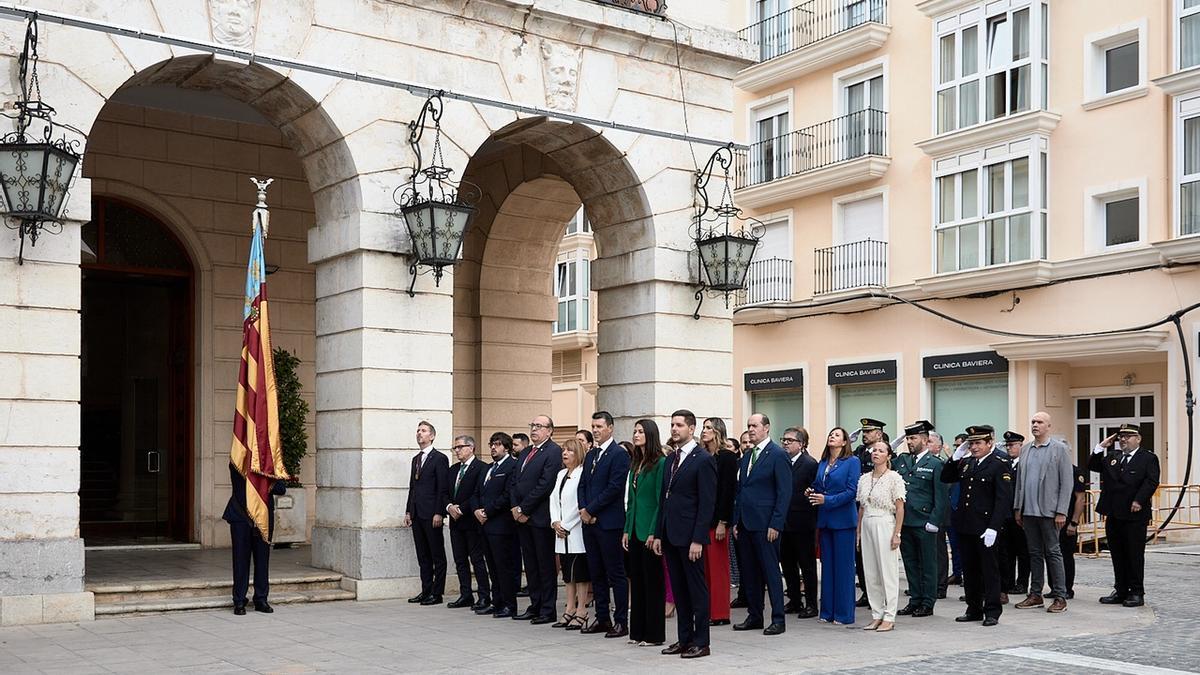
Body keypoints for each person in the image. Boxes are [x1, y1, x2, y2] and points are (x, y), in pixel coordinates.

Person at [653, 410, 716, 659]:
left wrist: (698, 539)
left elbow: (707, 503)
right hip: (670, 534)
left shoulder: (703, 459)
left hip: (691, 538)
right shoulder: (671, 459)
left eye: (679, 425)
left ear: (691, 429)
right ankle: (684, 639)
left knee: (696, 591)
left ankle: (701, 642)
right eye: (672, 425)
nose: (674, 429)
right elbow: (664, 499)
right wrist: (658, 533)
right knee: (679, 590)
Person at [941, 425, 1013, 627]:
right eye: (971, 443)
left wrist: (994, 527)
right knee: (970, 569)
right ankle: (974, 608)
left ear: (989, 443)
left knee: (989, 570)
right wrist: (955, 456)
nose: (973, 447)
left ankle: (992, 610)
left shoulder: (999, 464)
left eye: (978, 443)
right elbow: (946, 477)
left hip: (986, 527)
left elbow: (1003, 499)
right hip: (966, 525)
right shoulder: (966, 463)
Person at [731, 413, 792, 636]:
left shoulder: (777, 454)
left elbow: (784, 492)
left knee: (770, 572)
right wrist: (736, 520)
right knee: (749, 572)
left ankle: (778, 619)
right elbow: (741, 490)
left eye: (755, 426)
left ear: (766, 428)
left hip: (766, 524)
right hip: (746, 523)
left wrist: (776, 523)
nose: (751, 429)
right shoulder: (747, 456)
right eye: (748, 426)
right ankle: (754, 615)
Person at [1090, 424, 1160, 607]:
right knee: (1117, 554)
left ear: (1138, 439)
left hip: (1134, 514)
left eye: (1128, 436)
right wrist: (1100, 447)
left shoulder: (1148, 458)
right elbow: (1093, 465)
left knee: (1134, 554)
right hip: (1114, 513)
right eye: (1121, 436)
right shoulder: (1114, 457)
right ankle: (1120, 590)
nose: (1123, 440)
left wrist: (1139, 500)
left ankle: (1136, 592)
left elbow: (1151, 481)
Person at [1012, 412, 1073, 613]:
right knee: (1034, 553)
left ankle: (1060, 596)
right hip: (1028, 511)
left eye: (1039, 422)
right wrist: (1018, 508)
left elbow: (1067, 483)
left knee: (1053, 552)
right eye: (1033, 422)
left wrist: (1062, 511)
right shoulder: (1026, 449)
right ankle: (1035, 593)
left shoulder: (1059, 449)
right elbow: (1020, 482)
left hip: (1050, 511)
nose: (1035, 425)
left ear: (1048, 426)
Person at [579, 411, 631, 638]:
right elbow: (582, 485)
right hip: (589, 523)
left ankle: (621, 621)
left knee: (615, 573)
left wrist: (591, 509)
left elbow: (614, 488)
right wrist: (583, 509)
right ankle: (602, 618)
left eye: (599, 426)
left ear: (610, 427)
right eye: (593, 426)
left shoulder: (618, 454)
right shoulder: (591, 455)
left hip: (609, 523)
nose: (595, 430)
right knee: (596, 572)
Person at [511, 415, 563, 624]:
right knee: (530, 564)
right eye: (532, 425)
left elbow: (546, 484)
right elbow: (515, 482)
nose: (534, 429)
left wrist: (524, 508)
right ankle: (535, 605)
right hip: (521, 517)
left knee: (545, 565)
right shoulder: (525, 452)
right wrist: (515, 507)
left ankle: (548, 609)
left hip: (539, 517)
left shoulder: (553, 452)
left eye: (539, 426)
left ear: (550, 430)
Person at [895, 420, 947, 618]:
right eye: (908, 438)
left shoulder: (935, 464)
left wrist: (934, 521)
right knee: (910, 563)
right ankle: (914, 599)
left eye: (913, 438)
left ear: (925, 440)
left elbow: (941, 497)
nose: (909, 441)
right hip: (905, 521)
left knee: (928, 564)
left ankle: (928, 601)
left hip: (924, 522)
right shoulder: (902, 460)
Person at [809, 427, 860, 625]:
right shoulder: (823, 462)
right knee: (828, 567)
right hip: (825, 520)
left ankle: (844, 613)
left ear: (845, 442)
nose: (832, 436)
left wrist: (827, 500)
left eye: (837, 435)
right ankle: (827, 611)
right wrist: (811, 492)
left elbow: (851, 491)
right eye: (831, 434)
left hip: (843, 520)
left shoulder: (852, 462)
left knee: (844, 568)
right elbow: (819, 485)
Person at [624, 419, 667, 647]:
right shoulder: (635, 463)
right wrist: (626, 529)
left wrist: (654, 531)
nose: (636, 435)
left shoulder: (660, 462)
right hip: (634, 530)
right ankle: (637, 632)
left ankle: (654, 634)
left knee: (652, 584)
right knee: (638, 582)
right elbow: (631, 501)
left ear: (650, 435)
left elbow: (660, 501)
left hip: (649, 531)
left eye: (640, 431)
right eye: (634, 431)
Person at [223, 461, 286, 614]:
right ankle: (239, 600)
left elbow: (281, 488)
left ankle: (261, 599)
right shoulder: (239, 457)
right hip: (241, 516)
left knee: (262, 560)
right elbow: (240, 484)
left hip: (263, 517)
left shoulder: (272, 463)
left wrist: (266, 476)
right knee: (240, 560)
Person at [857, 441, 906, 632]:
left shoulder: (894, 478)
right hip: (868, 522)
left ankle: (890, 615)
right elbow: (861, 506)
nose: (876, 453)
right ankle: (876, 613)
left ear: (889, 455)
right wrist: (859, 531)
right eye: (874, 450)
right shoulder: (864, 478)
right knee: (871, 572)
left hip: (885, 522)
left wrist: (897, 534)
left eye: (881, 450)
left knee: (887, 571)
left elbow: (900, 508)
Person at [474, 432, 520, 618]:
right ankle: (497, 602)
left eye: (498, 444)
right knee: (492, 566)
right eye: (492, 444)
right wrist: (477, 509)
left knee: (504, 567)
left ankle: (509, 604)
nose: (493, 447)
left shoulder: (512, 466)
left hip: (501, 525)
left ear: (507, 447)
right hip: (484, 525)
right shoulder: (488, 468)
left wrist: (487, 511)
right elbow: (477, 492)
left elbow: (508, 495)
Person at [404, 421, 449, 606]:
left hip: (432, 514)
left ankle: (437, 593)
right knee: (423, 555)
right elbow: (412, 487)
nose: (419, 434)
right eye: (418, 431)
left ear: (432, 436)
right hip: (417, 513)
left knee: (436, 554)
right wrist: (408, 510)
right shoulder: (416, 459)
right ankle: (426, 590)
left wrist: (439, 512)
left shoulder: (439, 458)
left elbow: (442, 488)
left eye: (423, 431)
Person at [700, 417, 737, 627]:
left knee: (718, 568)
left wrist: (723, 521)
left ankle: (720, 613)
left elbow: (727, 491)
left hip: (718, 521)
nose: (704, 431)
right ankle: (707, 610)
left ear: (718, 431)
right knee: (704, 569)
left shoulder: (727, 457)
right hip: (702, 520)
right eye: (703, 428)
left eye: (708, 428)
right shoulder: (703, 456)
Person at [550, 438, 591, 629]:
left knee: (580, 572)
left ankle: (582, 609)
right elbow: (553, 500)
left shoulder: (583, 474)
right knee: (567, 573)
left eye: (570, 451)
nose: (565, 453)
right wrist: (555, 522)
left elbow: (579, 503)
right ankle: (570, 607)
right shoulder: (560, 474)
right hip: (560, 532)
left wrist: (566, 525)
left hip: (576, 530)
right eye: (563, 450)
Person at [445, 435, 489, 611]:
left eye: (460, 447)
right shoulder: (453, 469)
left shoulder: (481, 468)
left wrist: (461, 509)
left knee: (477, 559)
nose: (457, 451)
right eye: (455, 448)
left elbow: (477, 493)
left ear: (471, 448)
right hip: (455, 521)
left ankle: (484, 595)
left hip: (472, 521)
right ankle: (466, 594)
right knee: (460, 560)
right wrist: (449, 507)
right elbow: (444, 492)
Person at [780, 427, 818, 618]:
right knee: (787, 564)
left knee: (806, 564)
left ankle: (811, 603)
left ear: (801, 444)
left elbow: (815, 490)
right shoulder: (781, 460)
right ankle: (794, 599)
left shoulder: (809, 464)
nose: (786, 443)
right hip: (783, 521)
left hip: (803, 521)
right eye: (784, 440)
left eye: (790, 440)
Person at [852, 418, 887, 608]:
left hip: (876, 509)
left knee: (877, 554)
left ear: (879, 434)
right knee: (861, 554)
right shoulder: (857, 453)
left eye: (869, 431)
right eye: (864, 432)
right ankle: (867, 591)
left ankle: (881, 592)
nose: (865, 435)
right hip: (859, 507)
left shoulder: (883, 454)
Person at [998, 431, 1030, 603]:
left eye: (1012, 445)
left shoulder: (1025, 465)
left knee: (1023, 551)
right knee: (1007, 551)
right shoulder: (1005, 464)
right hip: (1006, 515)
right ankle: (1009, 581)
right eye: (1007, 445)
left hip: (1020, 514)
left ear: (1020, 445)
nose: (1009, 448)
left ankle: (1023, 582)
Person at [928, 431, 956, 596]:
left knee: (938, 550)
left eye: (930, 441)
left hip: (939, 513)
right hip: (923, 512)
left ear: (939, 446)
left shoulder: (942, 464)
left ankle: (940, 585)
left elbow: (945, 489)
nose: (927, 443)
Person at [730, 430, 753, 610]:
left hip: (757, 520)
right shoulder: (739, 463)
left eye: (749, 442)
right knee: (742, 560)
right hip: (739, 518)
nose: (747, 445)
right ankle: (743, 595)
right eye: (743, 442)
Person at [1061, 463, 1088, 599]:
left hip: (1068, 520)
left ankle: (1067, 588)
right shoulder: (1054, 470)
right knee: (1052, 556)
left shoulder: (1075, 471)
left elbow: (1080, 498)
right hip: (1052, 521)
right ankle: (1056, 587)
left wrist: (1074, 522)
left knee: (1066, 556)